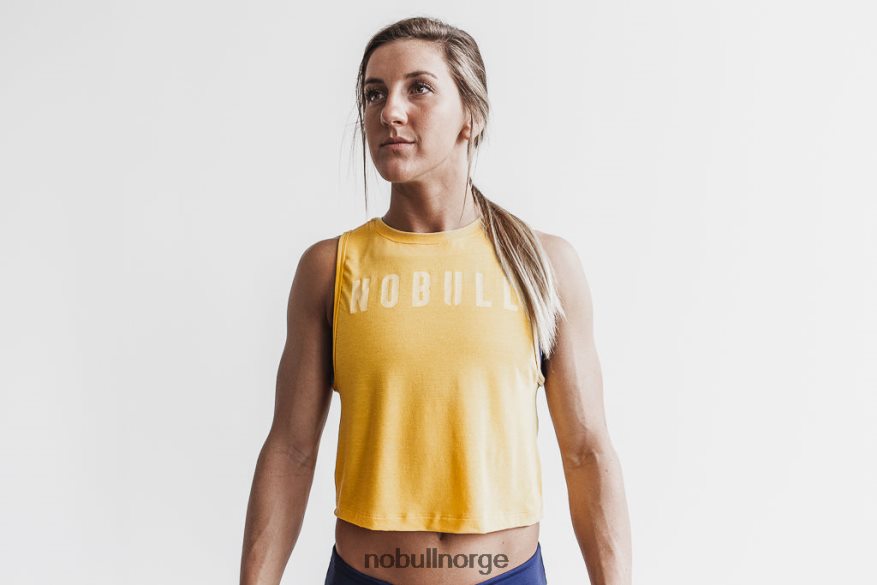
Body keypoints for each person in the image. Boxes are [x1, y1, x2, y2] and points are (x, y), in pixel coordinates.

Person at [240, 16, 632, 585]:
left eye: (418, 88)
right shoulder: (330, 269)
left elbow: (587, 453)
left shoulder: (543, 264)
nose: (389, 111)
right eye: (374, 94)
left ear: (471, 115)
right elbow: (291, 451)